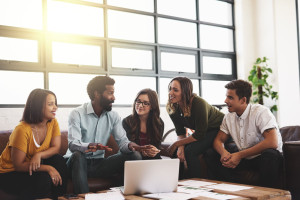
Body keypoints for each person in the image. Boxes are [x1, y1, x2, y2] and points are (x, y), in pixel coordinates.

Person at [65, 76, 148, 194]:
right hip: (76, 164)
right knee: (78, 156)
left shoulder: (113, 116)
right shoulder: (76, 113)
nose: (113, 98)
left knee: (134, 155)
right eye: (110, 93)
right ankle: (85, 198)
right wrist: (89, 146)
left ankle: (131, 196)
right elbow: (73, 144)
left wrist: (133, 146)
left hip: (99, 164)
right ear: (97, 94)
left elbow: (123, 142)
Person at [205, 79, 283, 188]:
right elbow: (218, 140)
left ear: (243, 100)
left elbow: (272, 142)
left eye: (230, 97)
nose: (225, 100)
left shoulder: (261, 112)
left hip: (264, 158)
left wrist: (239, 155)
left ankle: (264, 195)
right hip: (245, 158)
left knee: (270, 154)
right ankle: (230, 192)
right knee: (211, 153)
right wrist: (224, 153)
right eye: (226, 96)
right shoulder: (228, 116)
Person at [0, 89, 67, 200]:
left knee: (58, 160)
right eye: (50, 104)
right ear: (38, 106)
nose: (55, 107)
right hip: (8, 173)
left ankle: (60, 197)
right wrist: (48, 168)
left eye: (55, 103)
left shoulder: (53, 123)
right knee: (44, 178)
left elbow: (56, 148)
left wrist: (39, 155)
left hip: (30, 166)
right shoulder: (22, 130)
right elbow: (18, 165)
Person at [166, 77, 224, 178]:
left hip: (218, 128)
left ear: (185, 91)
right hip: (203, 131)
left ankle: (196, 183)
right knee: (177, 152)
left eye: (175, 90)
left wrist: (176, 143)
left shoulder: (198, 103)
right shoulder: (172, 107)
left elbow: (200, 134)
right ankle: (179, 183)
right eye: (170, 89)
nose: (171, 93)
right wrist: (180, 147)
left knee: (190, 151)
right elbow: (180, 132)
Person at [122, 89, 164, 159]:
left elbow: (157, 145)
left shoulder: (159, 123)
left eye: (146, 103)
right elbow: (128, 144)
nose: (140, 106)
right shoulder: (127, 121)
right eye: (138, 101)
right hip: (133, 156)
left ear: (152, 106)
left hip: (151, 158)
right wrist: (141, 150)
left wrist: (153, 150)